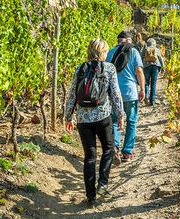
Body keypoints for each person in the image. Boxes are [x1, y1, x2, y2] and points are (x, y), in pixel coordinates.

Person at [65, 38, 124, 207]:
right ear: (103, 52)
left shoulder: (80, 68)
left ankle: (90, 197)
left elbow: (72, 94)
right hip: (102, 117)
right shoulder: (109, 68)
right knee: (108, 149)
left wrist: (68, 117)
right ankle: (103, 184)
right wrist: (120, 115)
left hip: (83, 120)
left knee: (89, 157)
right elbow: (115, 94)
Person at [106, 31, 145, 163]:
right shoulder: (133, 51)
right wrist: (142, 89)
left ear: (118, 41)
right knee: (131, 121)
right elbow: (139, 71)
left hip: (114, 93)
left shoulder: (110, 53)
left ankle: (115, 148)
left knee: (116, 120)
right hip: (130, 92)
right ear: (128, 40)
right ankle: (127, 152)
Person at [142, 38, 164, 106]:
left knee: (146, 82)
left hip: (147, 66)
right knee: (153, 83)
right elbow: (160, 58)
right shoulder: (156, 49)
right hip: (155, 66)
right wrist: (163, 67)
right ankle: (152, 101)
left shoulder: (145, 49)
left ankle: (146, 96)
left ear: (147, 44)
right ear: (154, 44)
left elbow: (141, 57)